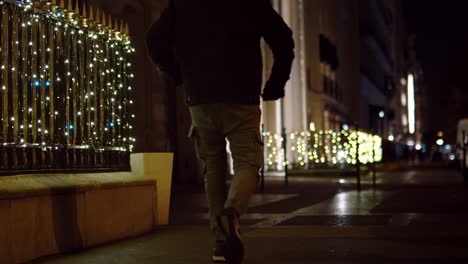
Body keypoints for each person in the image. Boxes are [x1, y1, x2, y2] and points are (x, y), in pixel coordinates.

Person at [146, 0, 294, 263]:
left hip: (200, 98)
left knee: (213, 167)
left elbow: (154, 40)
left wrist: (179, 73)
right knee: (248, 161)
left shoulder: (183, 6)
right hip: (242, 97)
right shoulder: (252, 5)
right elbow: (284, 41)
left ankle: (220, 241)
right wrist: (276, 83)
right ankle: (232, 213)